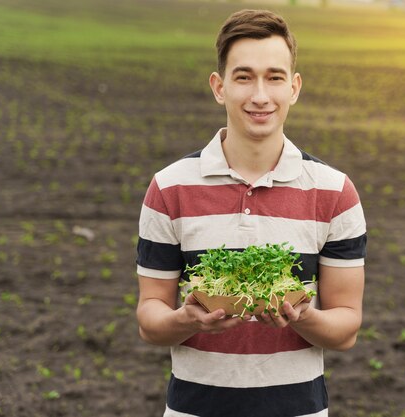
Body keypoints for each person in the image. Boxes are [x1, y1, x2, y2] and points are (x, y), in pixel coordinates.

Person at [136, 9, 366, 417]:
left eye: (274, 77)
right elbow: (149, 319)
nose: (260, 95)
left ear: (294, 88)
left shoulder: (334, 192)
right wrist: (189, 320)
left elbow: (346, 328)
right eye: (243, 77)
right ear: (219, 87)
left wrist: (302, 316)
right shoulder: (169, 187)